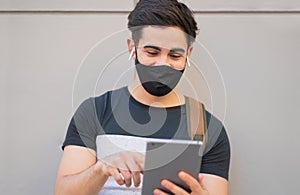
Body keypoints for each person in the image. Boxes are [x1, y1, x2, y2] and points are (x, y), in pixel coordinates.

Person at [54, 0, 230, 194]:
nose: (162, 64)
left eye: (175, 56)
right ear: (132, 48)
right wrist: (102, 168)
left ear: (188, 54)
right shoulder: (95, 111)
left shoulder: (208, 129)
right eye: (152, 52)